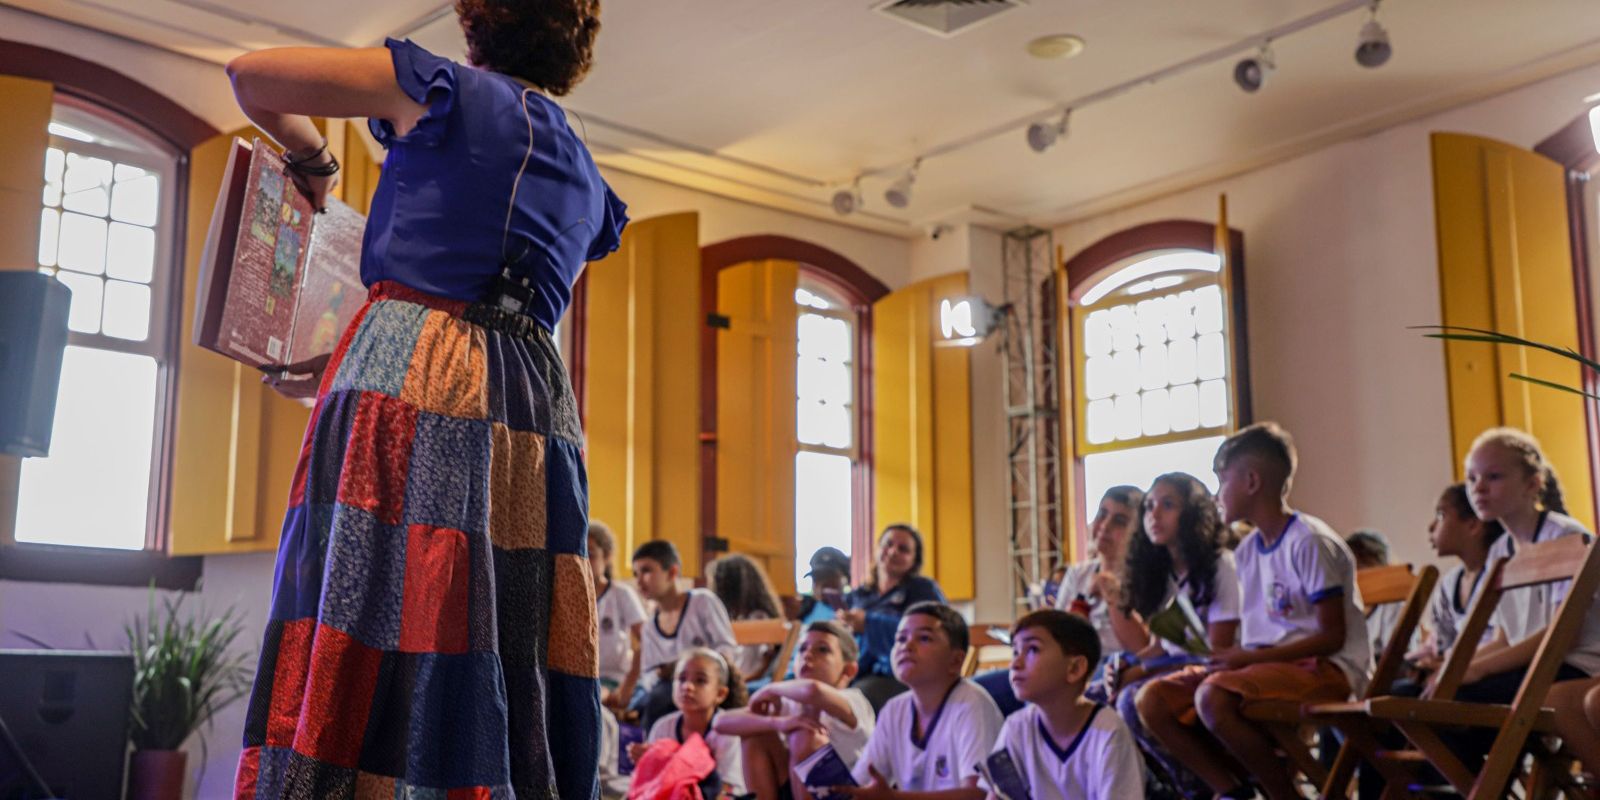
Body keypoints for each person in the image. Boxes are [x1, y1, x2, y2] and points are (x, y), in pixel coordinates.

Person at [225, 2, 625, 797]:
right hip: (535, 405)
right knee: (498, 619)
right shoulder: (586, 169)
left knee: (375, 596)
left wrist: (312, 159)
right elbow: (487, 304)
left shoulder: (439, 88)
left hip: (412, 367)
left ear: (479, 24)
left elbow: (250, 76)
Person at [1141, 422, 1370, 800]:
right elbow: (1260, 634)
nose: (1216, 495)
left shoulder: (1308, 541)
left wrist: (1244, 658)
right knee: (1154, 700)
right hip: (1266, 667)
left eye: (1221, 480)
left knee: (1212, 697)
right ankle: (1233, 790)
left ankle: (1282, 794)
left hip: (1329, 670)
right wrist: (1234, 659)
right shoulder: (1247, 552)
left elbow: (1332, 637)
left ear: (1251, 481)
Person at [1449, 429, 1600, 774]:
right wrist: (1457, 666)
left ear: (1533, 484)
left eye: (1494, 476)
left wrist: (1479, 669)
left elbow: (1566, 635)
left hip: (1576, 662)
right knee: (1422, 695)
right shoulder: (1501, 551)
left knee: (1459, 706)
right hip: (1534, 661)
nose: (1478, 487)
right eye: (1472, 478)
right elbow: (1504, 635)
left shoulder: (1566, 536)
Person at [974, 486, 1148, 716]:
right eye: (1101, 515)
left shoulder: (1146, 578)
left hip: (1110, 665)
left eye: (1119, 521)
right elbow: (1059, 633)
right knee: (976, 692)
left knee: (1047, 687)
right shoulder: (1079, 574)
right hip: (1062, 662)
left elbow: (1141, 646)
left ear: (1138, 532)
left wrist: (1109, 591)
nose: (1105, 526)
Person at [1117, 473, 1239, 798]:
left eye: (1167, 505)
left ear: (1194, 514)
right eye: (1149, 507)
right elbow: (1159, 648)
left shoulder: (1220, 565)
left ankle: (1216, 787)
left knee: (1131, 700)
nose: (1153, 515)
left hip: (1218, 670)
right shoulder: (1161, 575)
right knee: (1099, 692)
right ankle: (1164, 787)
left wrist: (1140, 670)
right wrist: (1124, 663)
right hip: (1176, 667)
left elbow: (1217, 651)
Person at [844, 602, 1003, 800]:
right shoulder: (895, 709)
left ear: (955, 661)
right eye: (900, 639)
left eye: (924, 638)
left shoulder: (971, 703)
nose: (907, 646)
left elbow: (978, 794)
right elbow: (861, 784)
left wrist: (894, 798)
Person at [989, 610, 1143, 800]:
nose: (1015, 663)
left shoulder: (1109, 732)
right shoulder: (1016, 727)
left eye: (1032, 649)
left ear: (1075, 668)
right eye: (1015, 652)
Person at [715, 620, 876, 800]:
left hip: (848, 794)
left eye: (822, 650)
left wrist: (771, 688)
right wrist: (778, 723)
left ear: (849, 670)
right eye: (802, 649)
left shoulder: (853, 700)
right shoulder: (789, 703)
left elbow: (812, 691)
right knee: (756, 733)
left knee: (805, 736)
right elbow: (721, 722)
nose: (808, 654)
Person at [633, 540, 739, 731]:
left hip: (707, 683)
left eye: (647, 571)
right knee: (653, 697)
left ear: (672, 572)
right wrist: (660, 673)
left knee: (660, 699)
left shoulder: (702, 602)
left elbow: (727, 648)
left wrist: (695, 664)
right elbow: (647, 674)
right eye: (636, 574)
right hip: (671, 690)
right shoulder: (649, 627)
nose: (639, 581)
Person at [844, 525, 946, 710]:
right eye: (888, 544)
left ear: (915, 560)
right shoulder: (858, 595)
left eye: (903, 549)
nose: (893, 552)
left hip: (900, 675)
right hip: (851, 671)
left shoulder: (923, 590)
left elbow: (937, 633)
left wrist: (868, 623)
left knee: (853, 700)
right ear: (877, 549)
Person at [632, 648, 751, 797]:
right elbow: (654, 782)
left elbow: (728, 790)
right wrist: (647, 761)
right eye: (681, 679)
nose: (687, 686)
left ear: (720, 694)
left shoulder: (728, 732)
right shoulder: (663, 727)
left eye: (700, 681)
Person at [591, 521, 647, 709]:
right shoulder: (566, 595)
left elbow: (647, 640)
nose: (584, 562)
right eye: (579, 554)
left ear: (606, 557)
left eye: (591, 555)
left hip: (613, 679)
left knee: (594, 697)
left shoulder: (620, 594)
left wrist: (628, 685)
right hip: (580, 678)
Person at [710, 554, 786, 685]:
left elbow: (756, 670)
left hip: (748, 685)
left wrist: (730, 686)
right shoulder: (740, 619)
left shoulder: (759, 619)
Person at [1347, 529, 1405, 655]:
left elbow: (1398, 655)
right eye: (1355, 568)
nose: (1358, 576)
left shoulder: (1392, 605)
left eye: (1364, 567)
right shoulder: (1342, 605)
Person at [799, 547, 852, 626]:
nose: (822, 585)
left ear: (845, 580)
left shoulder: (854, 610)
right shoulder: (803, 610)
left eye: (829, 577)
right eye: (817, 578)